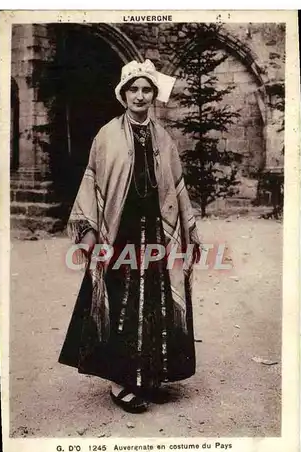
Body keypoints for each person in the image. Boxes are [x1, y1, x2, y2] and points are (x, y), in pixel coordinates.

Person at [58, 59, 201, 413]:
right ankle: (120, 381)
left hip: (156, 233)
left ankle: (148, 375)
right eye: (133, 89)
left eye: (146, 89)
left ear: (154, 95)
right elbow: (91, 184)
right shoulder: (106, 136)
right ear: (123, 95)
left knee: (155, 300)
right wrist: (89, 232)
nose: (140, 96)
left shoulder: (164, 138)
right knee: (121, 302)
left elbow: (177, 189)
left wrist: (190, 229)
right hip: (119, 234)